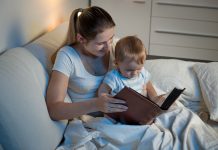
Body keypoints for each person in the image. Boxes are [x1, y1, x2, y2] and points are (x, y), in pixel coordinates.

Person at [46, 6, 128, 120]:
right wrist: (96, 104)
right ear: (81, 39)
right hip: (91, 121)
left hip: (121, 117)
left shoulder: (115, 45)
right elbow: (54, 110)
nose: (108, 47)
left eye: (111, 39)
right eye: (100, 43)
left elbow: (139, 70)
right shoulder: (67, 56)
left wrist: (154, 97)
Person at [98, 36, 163, 103]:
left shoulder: (142, 73)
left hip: (140, 106)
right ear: (117, 63)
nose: (134, 73)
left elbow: (149, 86)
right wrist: (107, 99)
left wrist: (155, 98)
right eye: (129, 70)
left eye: (138, 68)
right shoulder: (114, 77)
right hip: (121, 110)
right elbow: (103, 92)